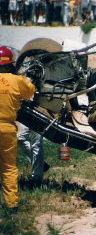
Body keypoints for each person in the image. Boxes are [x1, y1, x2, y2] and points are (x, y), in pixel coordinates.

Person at [0, 46, 36, 209]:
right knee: (8, 167)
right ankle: (11, 204)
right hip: (6, 128)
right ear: (10, 64)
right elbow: (30, 92)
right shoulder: (17, 80)